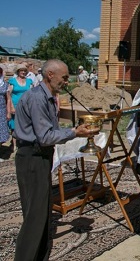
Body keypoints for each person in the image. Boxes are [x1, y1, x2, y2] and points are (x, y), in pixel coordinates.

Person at [13, 59, 98, 261]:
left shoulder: (47, 97)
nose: (66, 82)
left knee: (41, 211)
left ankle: (38, 254)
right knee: (35, 215)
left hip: (40, 156)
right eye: (64, 77)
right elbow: (44, 137)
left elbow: (49, 131)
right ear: (50, 75)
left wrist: (72, 131)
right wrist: (75, 133)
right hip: (32, 157)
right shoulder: (37, 99)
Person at [7, 64, 34, 151]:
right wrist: (11, 106)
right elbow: (8, 95)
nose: (23, 72)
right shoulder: (13, 81)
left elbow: (32, 93)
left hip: (26, 106)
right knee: (14, 125)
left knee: (26, 123)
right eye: (21, 70)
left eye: (24, 71)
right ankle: (14, 144)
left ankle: (24, 142)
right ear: (18, 72)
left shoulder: (29, 81)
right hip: (15, 105)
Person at [0, 67, 10, 145]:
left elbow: (8, 99)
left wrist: (8, 112)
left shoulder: (5, 84)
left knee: (1, 133)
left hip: (2, 111)